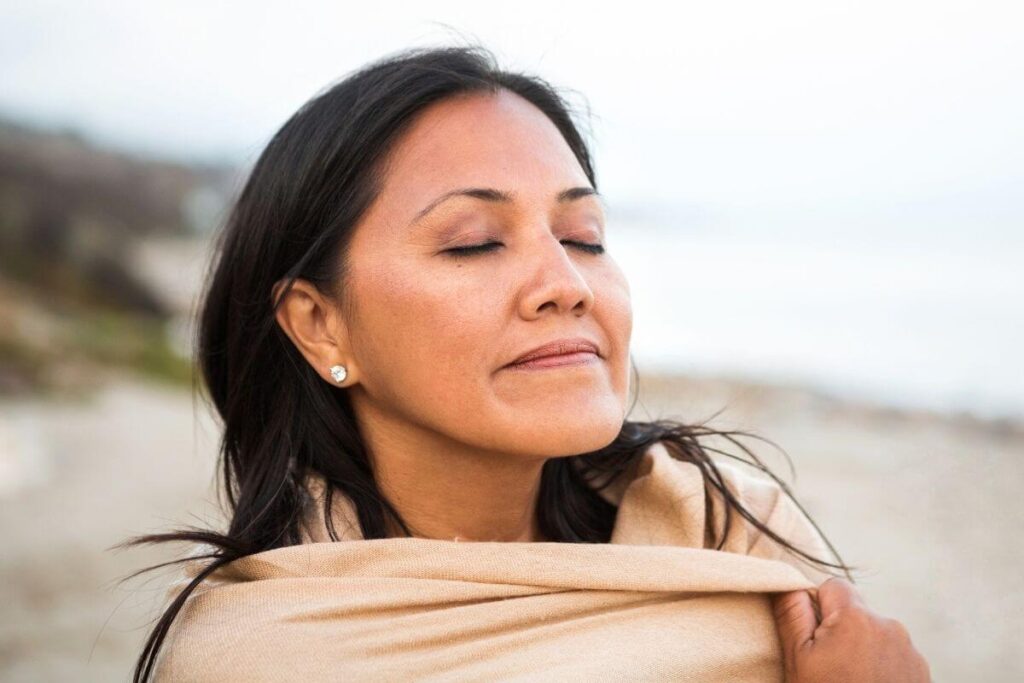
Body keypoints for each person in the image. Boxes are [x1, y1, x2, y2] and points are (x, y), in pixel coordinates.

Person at [117, 43, 929, 681]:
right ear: (321, 324)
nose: (565, 283)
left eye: (585, 238)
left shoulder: (734, 529)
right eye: (474, 242)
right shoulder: (267, 654)